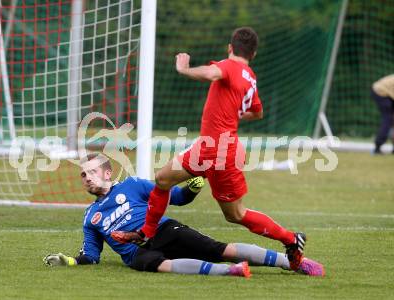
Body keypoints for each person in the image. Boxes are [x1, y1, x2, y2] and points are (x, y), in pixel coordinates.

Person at [111, 27, 307, 271]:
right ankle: (146, 233)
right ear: (254, 53)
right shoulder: (250, 77)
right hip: (212, 147)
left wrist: (184, 69)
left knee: (232, 213)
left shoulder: (229, 66)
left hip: (219, 151)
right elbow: (258, 112)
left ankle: (290, 239)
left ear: (230, 47)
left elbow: (211, 73)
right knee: (166, 181)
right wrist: (231, 114)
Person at [43, 154, 325, 277]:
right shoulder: (90, 217)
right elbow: (91, 255)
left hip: (163, 230)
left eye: (92, 172)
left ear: (107, 173)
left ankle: (294, 263)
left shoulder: (132, 185)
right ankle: (232, 272)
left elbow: (174, 197)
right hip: (137, 254)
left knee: (220, 249)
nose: (87, 178)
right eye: (83, 175)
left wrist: (191, 188)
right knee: (158, 265)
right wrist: (68, 260)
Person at [371, 74, 394, 154]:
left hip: (384, 91)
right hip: (380, 92)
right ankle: (377, 147)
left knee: (390, 119)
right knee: (388, 119)